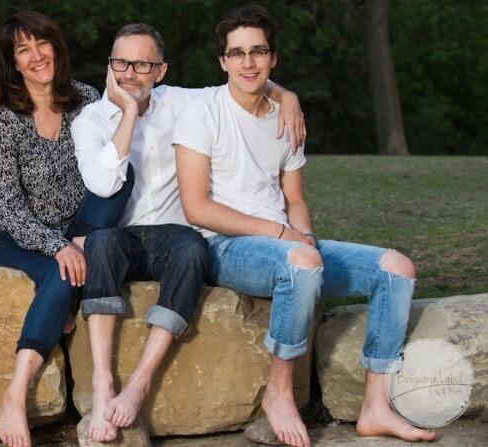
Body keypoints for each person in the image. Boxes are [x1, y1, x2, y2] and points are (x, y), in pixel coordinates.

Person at [173, 5, 437, 447]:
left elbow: (294, 199)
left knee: (397, 268)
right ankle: (279, 393)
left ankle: (375, 405)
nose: (248, 63)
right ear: (223, 62)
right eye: (236, 54)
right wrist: (283, 237)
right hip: (223, 245)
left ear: (273, 58)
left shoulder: (284, 114)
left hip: (290, 246)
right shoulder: (202, 112)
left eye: (258, 52)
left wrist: (306, 238)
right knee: (300, 261)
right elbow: (196, 208)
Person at [71, 23, 306, 442]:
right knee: (101, 244)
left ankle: (141, 381)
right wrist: (126, 113)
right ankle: (104, 380)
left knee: (192, 248)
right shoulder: (89, 120)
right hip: (120, 235)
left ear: (159, 71)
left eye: (142, 64)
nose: (130, 73)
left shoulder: (183, 102)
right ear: (109, 66)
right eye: (120, 63)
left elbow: (246, 79)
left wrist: (285, 95)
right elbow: (104, 184)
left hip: (174, 235)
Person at [0, 11, 133, 447]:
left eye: (41, 44)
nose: (35, 56)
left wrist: (282, 95)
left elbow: (144, 109)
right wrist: (57, 247)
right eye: (22, 50)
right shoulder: (5, 120)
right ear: (13, 63)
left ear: (56, 46)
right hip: (19, 239)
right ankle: (16, 392)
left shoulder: (86, 99)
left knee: (123, 169)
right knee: (60, 271)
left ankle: (76, 257)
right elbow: (8, 209)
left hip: (82, 228)